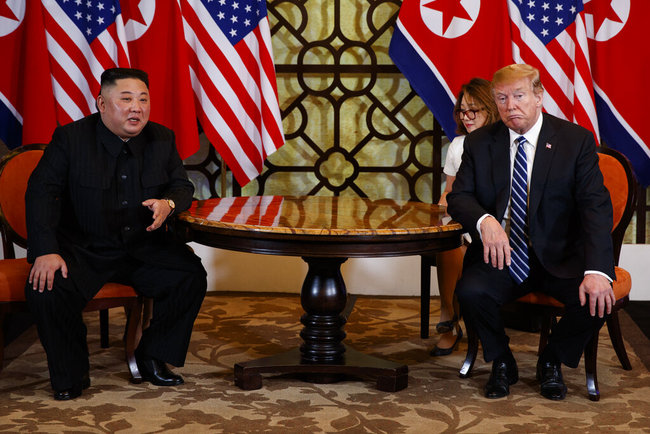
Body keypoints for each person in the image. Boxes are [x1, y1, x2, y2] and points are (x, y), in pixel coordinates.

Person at [24, 68, 207, 400]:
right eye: (126, 99)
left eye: (143, 99)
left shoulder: (162, 138)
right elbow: (41, 193)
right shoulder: (70, 139)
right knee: (47, 287)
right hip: (85, 248)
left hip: (142, 247)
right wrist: (45, 250)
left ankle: (152, 356)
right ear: (102, 104)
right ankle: (71, 374)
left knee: (189, 275)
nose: (136, 108)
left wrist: (168, 203)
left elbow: (182, 186)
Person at [447, 64, 615, 400]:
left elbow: (594, 207)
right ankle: (502, 361)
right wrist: (485, 221)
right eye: (502, 99)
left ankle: (552, 361)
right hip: (503, 255)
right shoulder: (479, 143)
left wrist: (598, 270)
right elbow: (459, 197)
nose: (511, 106)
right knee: (470, 291)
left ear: (539, 96)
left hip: (560, 255)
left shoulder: (574, 141)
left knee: (598, 300)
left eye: (519, 96)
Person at [430, 78, 499, 356]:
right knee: (449, 243)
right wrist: (444, 204)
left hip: (496, 223)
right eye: (462, 110)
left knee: (462, 243)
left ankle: (465, 318)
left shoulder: (505, 141)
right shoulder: (458, 145)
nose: (466, 117)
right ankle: (449, 319)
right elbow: (449, 192)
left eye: (474, 110)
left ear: (491, 109)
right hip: (465, 219)